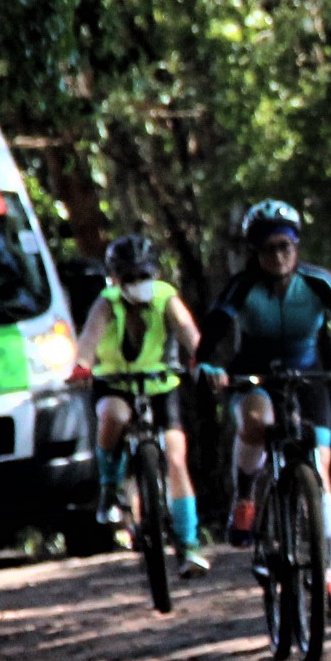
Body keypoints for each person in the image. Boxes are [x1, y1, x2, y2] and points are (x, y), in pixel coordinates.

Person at [198, 199, 331, 614]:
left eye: (285, 246)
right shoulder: (242, 286)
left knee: (320, 472)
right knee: (255, 420)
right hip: (255, 375)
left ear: (296, 246)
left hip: (308, 377)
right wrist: (207, 365)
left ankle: (329, 573)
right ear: (255, 252)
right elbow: (212, 333)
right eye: (268, 249)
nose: (278, 256)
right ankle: (245, 496)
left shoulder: (318, 281)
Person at [79, 233, 210, 575]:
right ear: (116, 279)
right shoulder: (107, 303)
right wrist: (81, 365)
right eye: (129, 278)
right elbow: (89, 338)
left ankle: (188, 543)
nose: (138, 283)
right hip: (115, 382)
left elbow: (188, 331)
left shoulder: (166, 297)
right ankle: (110, 487)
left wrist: (202, 358)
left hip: (160, 384)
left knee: (176, 457)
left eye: (144, 275)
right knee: (113, 416)